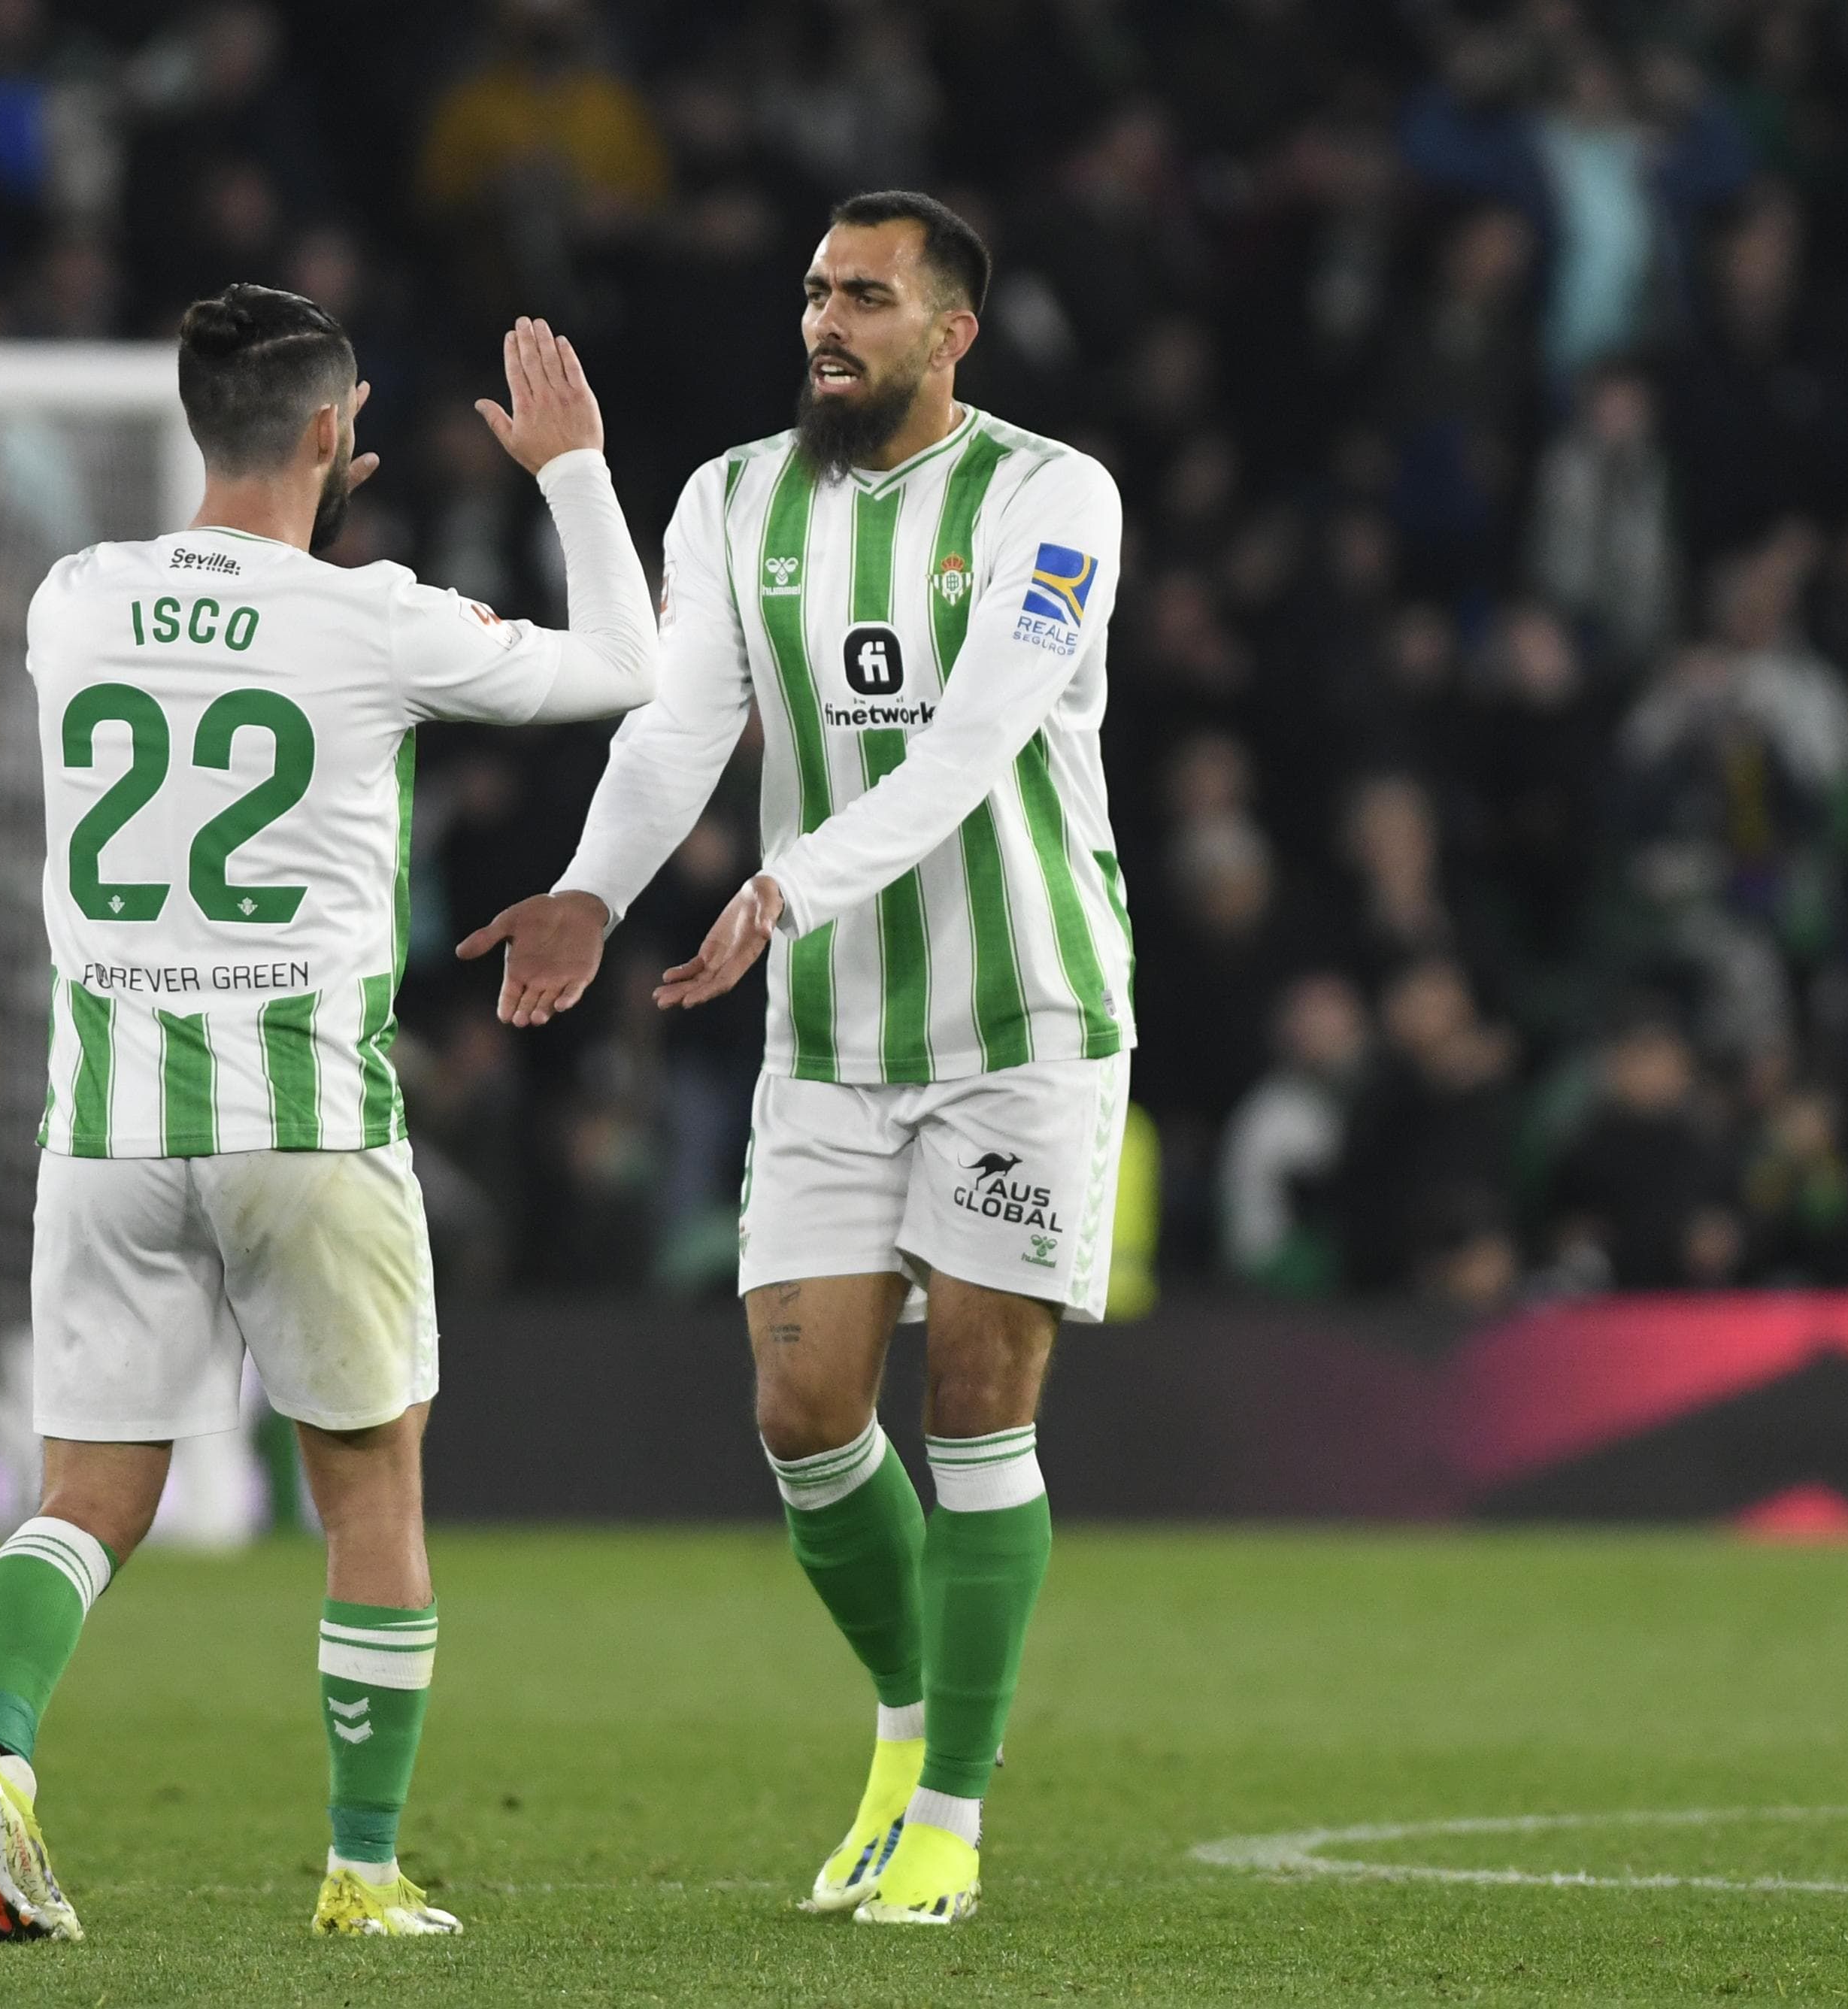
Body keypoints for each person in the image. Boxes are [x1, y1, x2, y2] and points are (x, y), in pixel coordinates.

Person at [0, 286, 657, 1943]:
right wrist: (574, 471)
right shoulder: (372, 617)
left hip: (107, 1130)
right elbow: (626, 666)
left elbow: (201, 616)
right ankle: (362, 1869)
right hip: (304, 1122)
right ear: (336, 431)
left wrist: (298, 498)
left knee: (88, 1494)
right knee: (369, 1488)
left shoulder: (70, 601)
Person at [462, 192, 1131, 1926]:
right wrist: (592, 892)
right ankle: (908, 1738)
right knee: (804, 1415)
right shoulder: (733, 497)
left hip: (1022, 1017)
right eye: (817, 292)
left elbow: (983, 735)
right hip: (828, 1031)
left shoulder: (1054, 498)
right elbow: (685, 720)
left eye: (869, 297)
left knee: (977, 1405)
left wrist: (784, 878)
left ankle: (955, 1818)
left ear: (951, 331)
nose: (829, 322)